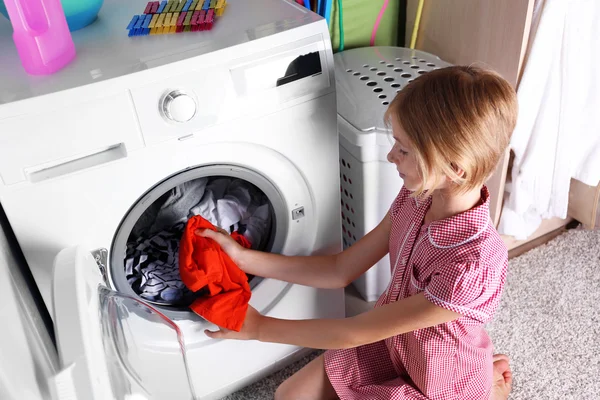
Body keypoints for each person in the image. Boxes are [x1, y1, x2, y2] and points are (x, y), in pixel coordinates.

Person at [196, 65, 517, 400]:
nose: (391, 156)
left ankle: (484, 389)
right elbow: (340, 270)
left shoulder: (473, 265)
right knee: (288, 395)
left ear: (453, 168)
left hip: (439, 383)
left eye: (403, 149)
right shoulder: (416, 198)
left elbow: (352, 332)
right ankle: (484, 375)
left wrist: (259, 328)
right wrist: (244, 258)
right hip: (391, 344)